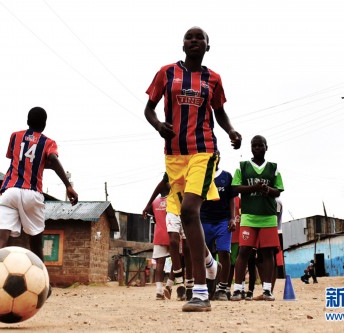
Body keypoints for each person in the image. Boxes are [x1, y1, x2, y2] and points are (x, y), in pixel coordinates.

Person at [144, 26, 242, 312]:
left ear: (207, 47)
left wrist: (231, 131)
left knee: (189, 210)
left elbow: (219, 111)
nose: (195, 41)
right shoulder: (166, 73)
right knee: (186, 218)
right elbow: (148, 108)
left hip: (204, 151)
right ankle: (209, 263)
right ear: (183, 44)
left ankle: (200, 293)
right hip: (174, 155)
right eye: (190, 37)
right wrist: (158, 126)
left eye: (200, 38)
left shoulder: (213, 79)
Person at [0, 107, 78, 299]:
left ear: (27, 121)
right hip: (32, 193)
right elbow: (52, 159)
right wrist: (68, 185)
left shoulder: (15, 136)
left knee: (0, 237)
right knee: (35, 242)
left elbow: (14, 158)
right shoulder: (48, 142)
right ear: (44, 124)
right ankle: (44, 284)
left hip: (9, 190)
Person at [230, 135, 284, 301]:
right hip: (248, 216)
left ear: (266, 147)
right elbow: (235, 188)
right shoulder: (242, 167)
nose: (257, 148)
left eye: (260, 146)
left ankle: (267, 290)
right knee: (244, 251)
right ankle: (238, 289)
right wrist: (254, 187)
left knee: (267, 253)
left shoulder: (273, 168)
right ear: (251, 148)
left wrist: (266, 189)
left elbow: (279, 190)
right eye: (254, 146)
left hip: (268, 217)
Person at [200, 151, 237, 301]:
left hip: (223, 221)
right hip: (204, 221)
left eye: (216, 156)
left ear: (219, 158)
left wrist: (233, 218)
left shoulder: (227, 176)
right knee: (205, 256)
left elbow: (231, 199)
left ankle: (223, 288)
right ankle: (208, 287)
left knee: (224, 252)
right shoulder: (201, 176)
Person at [142, 174, 171, 300]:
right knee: (178, 261)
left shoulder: (154, 202)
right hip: (173, 233)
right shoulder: (174, 200)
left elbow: (153, 217)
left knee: (159, 263)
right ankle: (169, 285)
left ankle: (159, 291)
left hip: (159, 234)